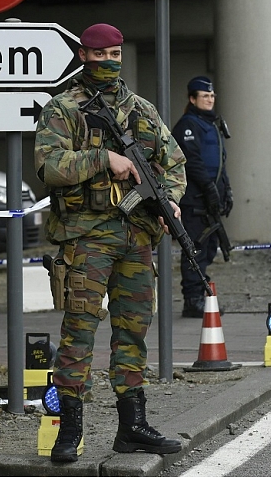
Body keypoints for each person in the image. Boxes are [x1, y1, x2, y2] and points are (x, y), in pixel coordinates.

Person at [34, 23, 185, 463]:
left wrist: (169, 200)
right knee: (78, 333)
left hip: (136, 237)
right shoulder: (62, 109)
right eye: (100, 55)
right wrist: (106, 158)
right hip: (86, 239)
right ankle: (69, 430)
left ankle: (132, 427)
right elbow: (49, 166)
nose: (109, 63)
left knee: (132, 333)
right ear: (83, 55)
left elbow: (173, 163)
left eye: (116, 54)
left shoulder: (141, 110)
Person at [171, 76, 233, 318]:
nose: (209, 99)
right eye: (204, 96)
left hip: (210, 199)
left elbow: (220, 162)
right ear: (192, 99)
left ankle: (201, 293)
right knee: (194, 249)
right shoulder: (188, 125)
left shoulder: (212, 124)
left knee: (208, 249)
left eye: (212, 96)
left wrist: (226, 190)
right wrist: (209, 189)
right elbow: (193, 162)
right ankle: (193, 300)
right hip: (195, 199)